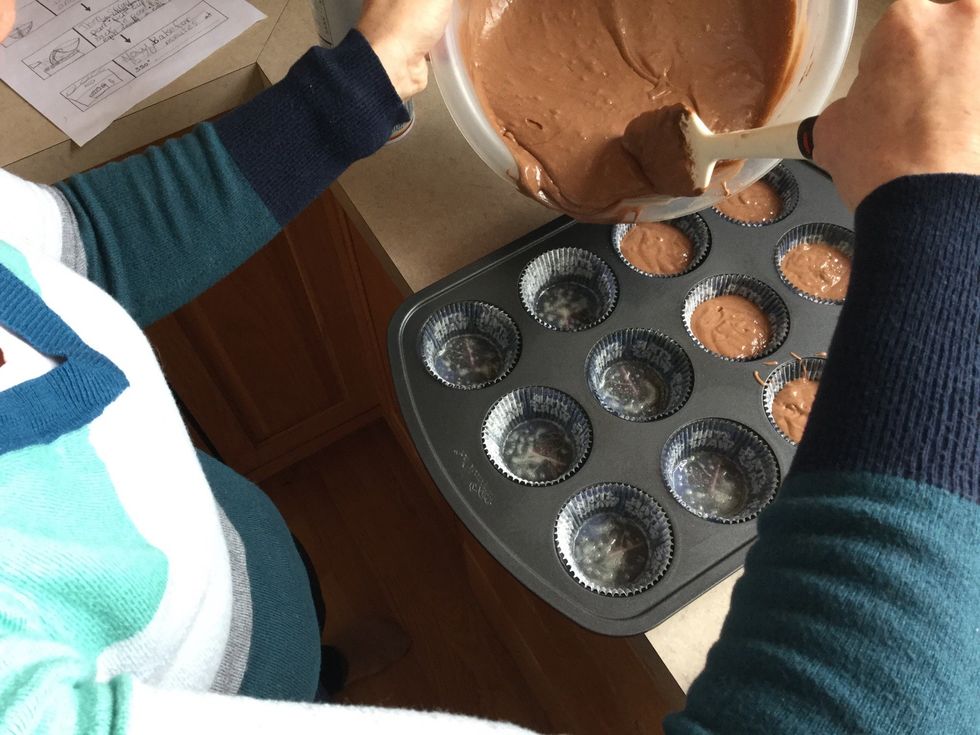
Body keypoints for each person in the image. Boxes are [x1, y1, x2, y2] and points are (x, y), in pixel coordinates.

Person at [0, 0, 976, 732]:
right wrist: (942, 219)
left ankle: (315, 668)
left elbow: (74, 255)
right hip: (188, 686)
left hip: (227, 577)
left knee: (293, 621)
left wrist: (358, 87)